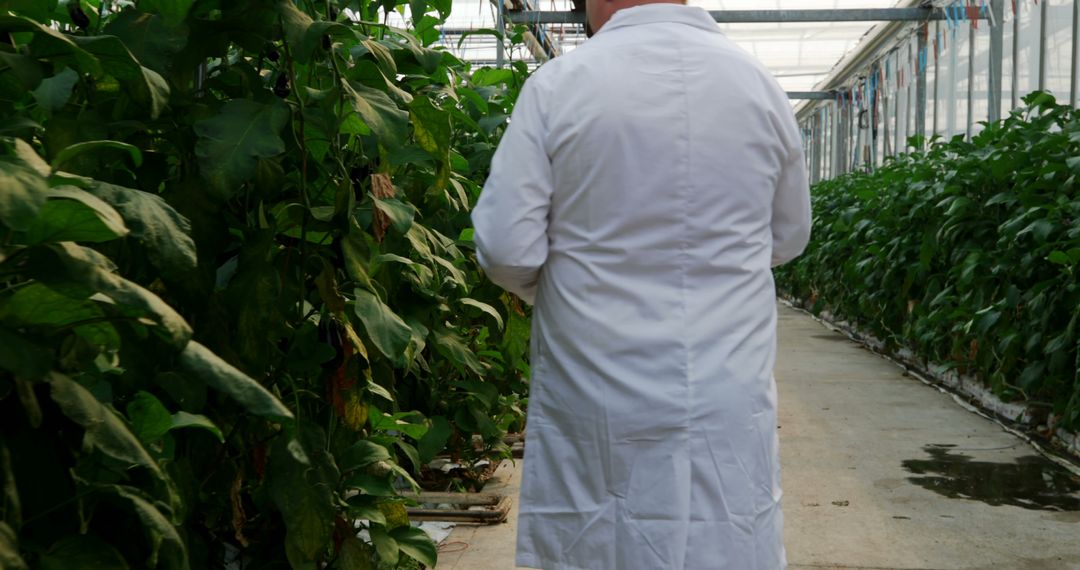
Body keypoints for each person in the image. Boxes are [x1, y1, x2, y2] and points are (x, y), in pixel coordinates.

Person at [470, 0, 812, 567]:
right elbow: (788, 236)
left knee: (597, 536)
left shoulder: (561, 86)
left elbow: (507, 246)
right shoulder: (758, 88)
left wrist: (569, 289)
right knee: (724, 533)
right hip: (724, 381)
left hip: (596, 381)